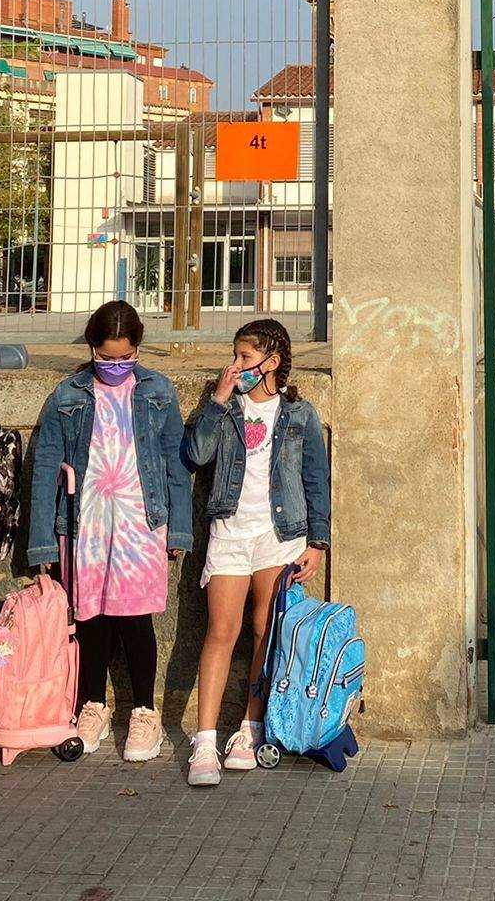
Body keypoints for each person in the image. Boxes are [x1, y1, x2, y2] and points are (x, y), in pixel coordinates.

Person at [26, 300, 189, 763]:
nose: (116, 366)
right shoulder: (67, 395)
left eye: (126, 357)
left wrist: (178, 531)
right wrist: (42, 539)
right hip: (86, 524)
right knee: (90, 615)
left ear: (138, 348)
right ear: (92, 347)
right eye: (107, 357)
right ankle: (91, 705)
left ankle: (144, 711)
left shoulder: (159, 390)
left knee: (136, 618)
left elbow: (176, 465)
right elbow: (44, 468)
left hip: (141, 524)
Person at [180, 318, 330, 788]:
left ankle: (250, 726)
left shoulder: (299, 414)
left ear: (273, 362)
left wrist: (318, 542)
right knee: (220, 630)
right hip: (229, 530)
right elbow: (195, 456)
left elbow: (315, 480)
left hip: (279, 533)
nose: (236, 365)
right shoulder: (225, 408)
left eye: (245, 358)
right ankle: (205, 739)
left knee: (266, 628)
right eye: (236, 356)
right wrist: (218, 400)